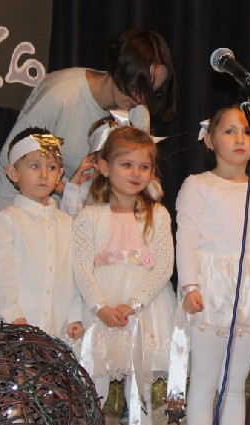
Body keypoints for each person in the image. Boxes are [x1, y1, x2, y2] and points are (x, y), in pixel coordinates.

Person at [172, 105, 250, 425]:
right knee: (205, 382)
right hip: (210, 294)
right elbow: (186, 238)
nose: (240, 138)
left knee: (235, 386)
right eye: (229, 131)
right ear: (210, 140)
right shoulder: (198, 185)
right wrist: (190, 286)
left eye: (248, 132)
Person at [0, 27, 177, 220]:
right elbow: (13, 160)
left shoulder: (137, 113)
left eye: (151, 92)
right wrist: (5, 222)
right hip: (30, 211)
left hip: (84, 220)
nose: (141, 98)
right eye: (137, 86)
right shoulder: (62, 97)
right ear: (118, 68)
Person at [72, 126, 175, 424]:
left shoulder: (158, 214)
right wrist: (100, 308)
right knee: (97, 385)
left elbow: (164, 266)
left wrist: (134, 304)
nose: (136, 173)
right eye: (127, 164)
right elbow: (81, 267)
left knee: (143, 388)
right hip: (101, 307)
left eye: (144, 167)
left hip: (146, 310)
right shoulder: (89, 216)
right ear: (105, 167)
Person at [0, 127, 84, 342]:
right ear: (13, 173)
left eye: (51, 167)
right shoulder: (7, 220)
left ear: (60, 174)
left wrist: (76, 316)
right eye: (34, 166)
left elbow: (77, 276)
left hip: (58, 330)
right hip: (14, 329)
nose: (44, 174)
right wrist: (13, 315)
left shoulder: (68, 224)